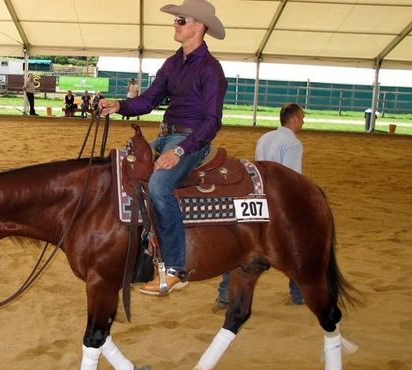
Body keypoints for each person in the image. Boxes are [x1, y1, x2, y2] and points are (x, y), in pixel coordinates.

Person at [99, 0, 227, 296]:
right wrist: (118, 105)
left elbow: (211, 122)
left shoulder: (211, 69)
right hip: (163, 136)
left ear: (198, 25)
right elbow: (148, 101)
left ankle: (175, 268)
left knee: (158, 186)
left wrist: (180, 151)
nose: (175, 24)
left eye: (181, 20)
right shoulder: (172, 63)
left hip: (191, 140)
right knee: (118, 171)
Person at [215, 103, 306, 309]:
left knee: (243, 247)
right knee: (295, 245)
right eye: (301, 118)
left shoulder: (264, 137)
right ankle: (299, 294)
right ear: (293, 119)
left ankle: (224, 295)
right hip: (277, 201)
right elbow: (292, 179)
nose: (302, 121)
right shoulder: (293, 144)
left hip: (257, 198)